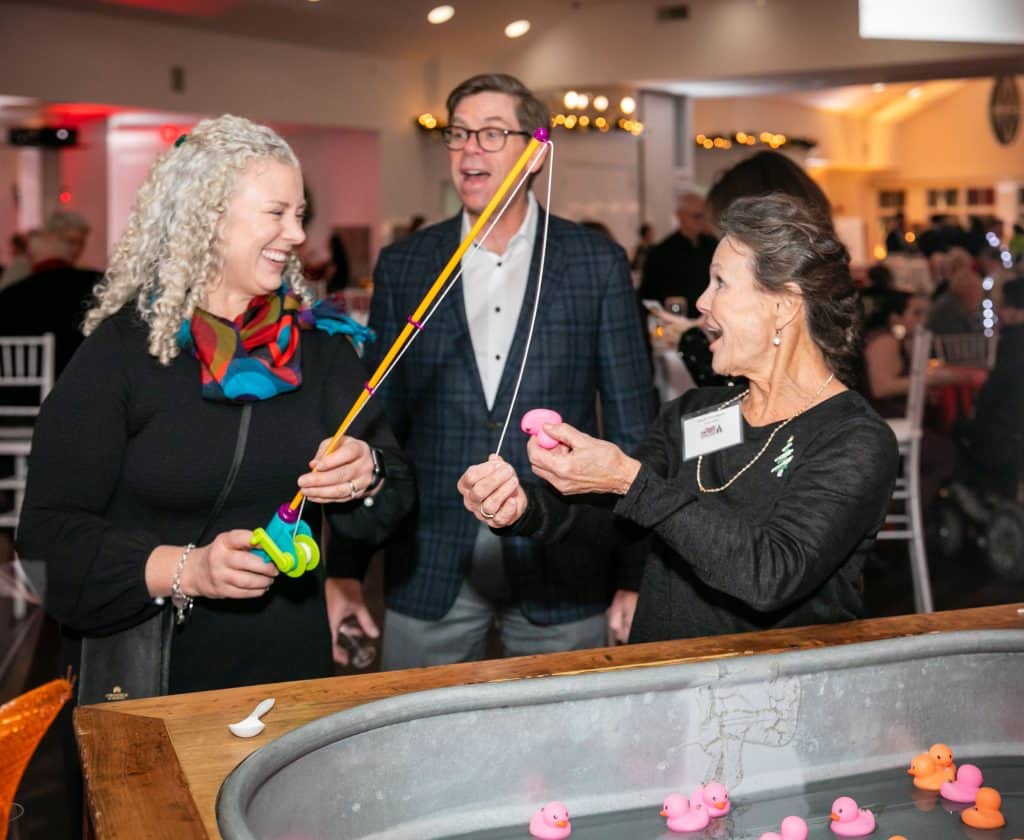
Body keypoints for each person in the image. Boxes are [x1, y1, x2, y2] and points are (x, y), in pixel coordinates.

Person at [17, 115, 416, 694]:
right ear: (207, 219)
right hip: (150, 674)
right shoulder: (123, 354)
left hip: (285, 669)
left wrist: (368, 474)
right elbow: (48, 540)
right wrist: (190, 569)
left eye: (300, 214)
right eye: (276, 213)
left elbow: (397, 488)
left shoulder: (320, 349)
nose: (298, 234)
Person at [459, 193, 899, 642]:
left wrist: (629, 480)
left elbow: (769, 574)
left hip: (773, 696)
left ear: (783, 305)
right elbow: (619, 520)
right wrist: (526, 507)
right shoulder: (694, 412)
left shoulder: (853, 438)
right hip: (663, 685)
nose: (702, 302)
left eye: (721, 283)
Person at [349, 73, 655, 669]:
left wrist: (634, 574)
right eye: (459, 133)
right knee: (414, 747)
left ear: (536, 152)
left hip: (562, 563)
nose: (469, 150)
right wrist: (345, 570)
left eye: (492, 134)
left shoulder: (595, 263)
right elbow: (373, 423)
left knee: (568, 748)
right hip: (429, 561)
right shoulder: (407, 264)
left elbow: (631, 425)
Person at [0, 229, 102, 375]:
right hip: (86, 375)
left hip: (23, 385)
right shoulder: (97, 284)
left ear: (32, 257)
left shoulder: (12, 295)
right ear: (69, 254)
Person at [638, 192, 717, 317]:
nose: (702, 221)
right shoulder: (661, 252)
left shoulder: (713, 246)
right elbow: (648, 295)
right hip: (676, 321)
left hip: (710, 318)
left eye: (704, 216)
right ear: (680, 216)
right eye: (697, 216)